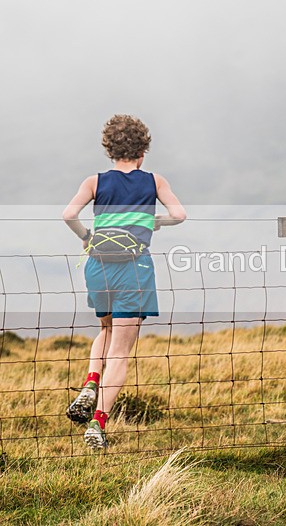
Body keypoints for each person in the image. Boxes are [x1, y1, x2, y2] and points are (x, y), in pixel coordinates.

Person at [63, 114, 186, 449]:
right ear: (142, 152)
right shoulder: (154, 181)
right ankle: (97, 425)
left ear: (110, 150)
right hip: (135, 268)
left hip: (98, 266)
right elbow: (179, 215)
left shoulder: (94, 182)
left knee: (105, 330)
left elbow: (68, 215)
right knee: (120, 352)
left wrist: (86, 237)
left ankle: (90, 382)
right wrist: (156, 221)